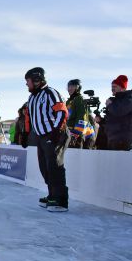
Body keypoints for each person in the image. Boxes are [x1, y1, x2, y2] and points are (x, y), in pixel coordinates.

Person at [21, 67, 70, 212]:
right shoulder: (32, 98)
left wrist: (56, 131)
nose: (26, 84)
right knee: (45, 167)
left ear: (36, 80)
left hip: (55, 134)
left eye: (28, 81)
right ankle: (52, 195)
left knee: (55, 166)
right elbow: (29, 118)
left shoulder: (50, 93)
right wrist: (25, 134)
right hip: (41, 136)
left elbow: (62, 111)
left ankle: (60, 200)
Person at [104, 75, 132, 151]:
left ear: (123, 88)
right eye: (112, 86)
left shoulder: (130, 99)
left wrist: (110, 105)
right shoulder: (118, 100)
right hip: (113, 138)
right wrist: (101, 121)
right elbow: (113, 119)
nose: (112, 88)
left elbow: (119, 111)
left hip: (122, 139)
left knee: (120, 162)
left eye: (115, 86)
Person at [65, 79, 88, 148]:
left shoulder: (80, 99)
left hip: (76, 134)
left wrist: (76, 133)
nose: (70, 88)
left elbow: (82, 116)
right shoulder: (69, 101)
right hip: (68, 132)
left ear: (78, 88)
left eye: (72, 86)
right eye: (69, 87)